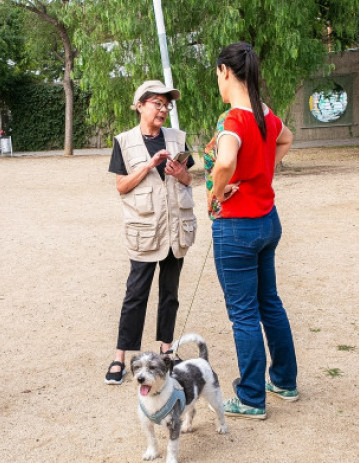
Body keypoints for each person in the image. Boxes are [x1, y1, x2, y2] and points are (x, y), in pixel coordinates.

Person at [203, 42, 297, 419]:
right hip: (267, 220)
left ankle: (251, 397)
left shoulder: (233, 120)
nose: (218, 82)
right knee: (269, 303)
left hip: (237, 227)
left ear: (226, 71)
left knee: (243, 313)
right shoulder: (267, 114)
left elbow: (224, 160)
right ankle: (285, 381)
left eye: (217, 75)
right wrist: (262, 171)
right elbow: (286, 138)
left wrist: (215, 191)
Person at [105, 80, 197, 385]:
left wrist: (179, 172)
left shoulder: (177, 138)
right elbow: (121, 186)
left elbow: (189, 180)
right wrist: (148, 166)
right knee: (136, 294)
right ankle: (120, 357)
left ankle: (167, 351)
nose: (163, 109)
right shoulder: (124, 141)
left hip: (175, 231)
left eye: (166, 104)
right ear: (140, 105)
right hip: (145, 231)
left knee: (170, 293)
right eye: (157, 103)